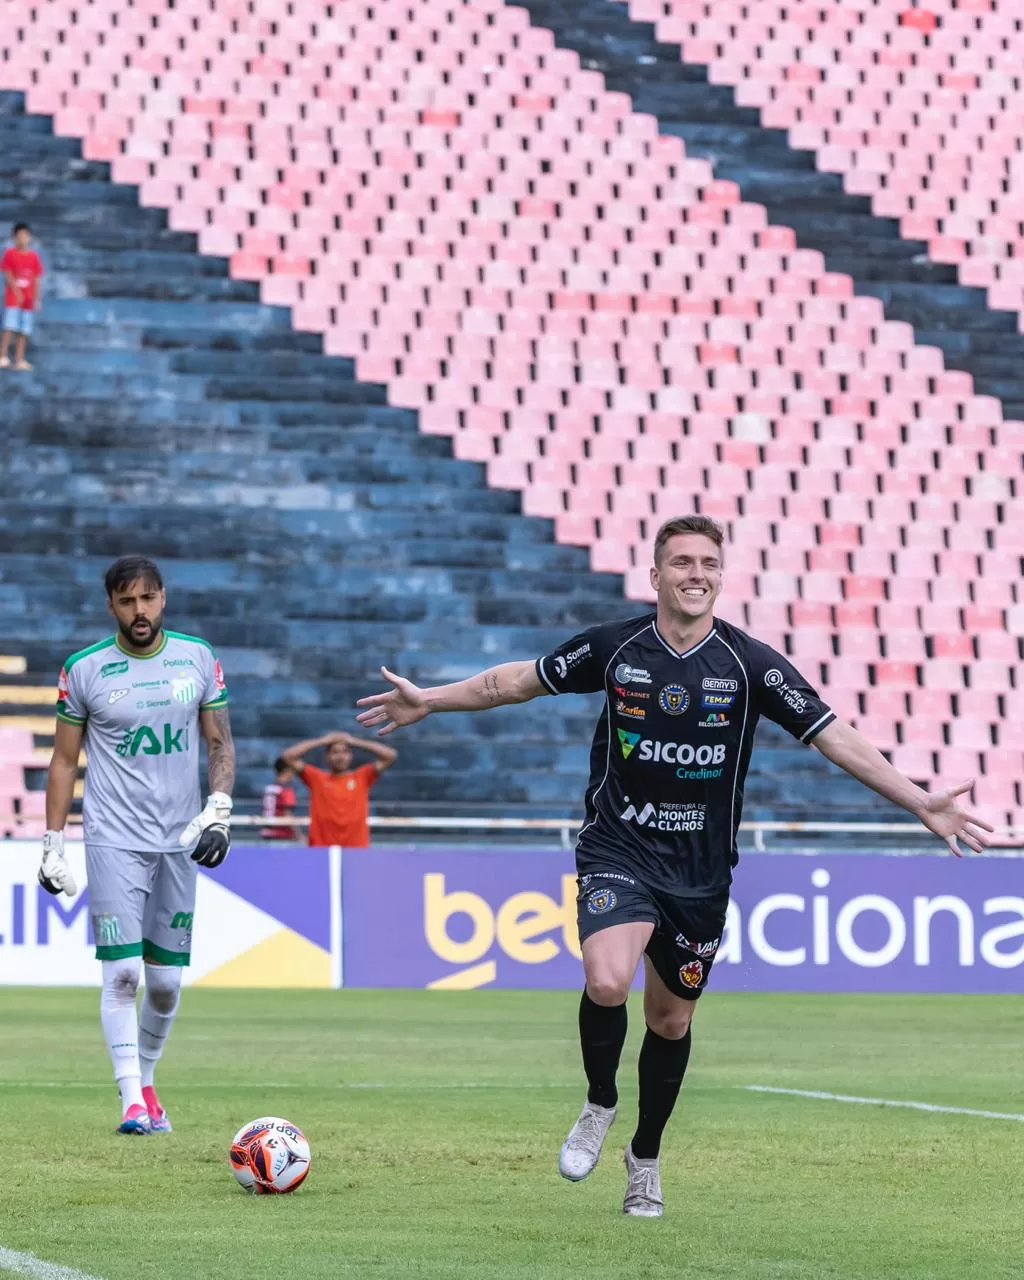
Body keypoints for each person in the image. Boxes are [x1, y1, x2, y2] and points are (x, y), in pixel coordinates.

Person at [356, 513, 992, 1218]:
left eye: (708, 563)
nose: (696, 574)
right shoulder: (616, 648)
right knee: (605, 980)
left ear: (722, 575)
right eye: (682, 562)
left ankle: (645, 1156)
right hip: (618, 846)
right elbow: (515, 682)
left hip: (699, 873)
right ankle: (599, 1102)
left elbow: (835, 737)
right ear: (655, 575)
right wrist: (431, 701)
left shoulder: (751, 665)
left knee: (670, 1023)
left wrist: (919, 802)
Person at [41, 554, 235, 1136]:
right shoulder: (84, 669)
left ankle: (148, 1081)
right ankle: (130, 1100)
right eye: (127, 601)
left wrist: (219, 811)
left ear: (163, 598)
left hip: (180, 838)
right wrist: (52, 842)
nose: (139, 610)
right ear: (111, 607)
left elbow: (220, 744)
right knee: (122, 974)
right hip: (112, 837)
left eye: (147, 598)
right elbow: (64, 759)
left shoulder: (198, 658)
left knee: (168, 983)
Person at [280, 730, 396, 847]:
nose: (340, 757)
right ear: (327, 757)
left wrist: (354, 741)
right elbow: (289, 756)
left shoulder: (363, 776)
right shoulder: (316, 778)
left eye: (345, 752)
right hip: (321, 848)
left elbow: (390, 755)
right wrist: (323, 741)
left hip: (356, 848)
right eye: (335, 752)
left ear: (351, 755)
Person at [1, 222, 44, 371]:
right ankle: (3, 356)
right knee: (9, 327)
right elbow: (8, 275)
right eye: (19, 236)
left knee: (23, 331)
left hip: (28, 300)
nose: (22, 239)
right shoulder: (9, 254)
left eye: (25, 236)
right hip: (13, 299)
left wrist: (36, 298)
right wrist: (17, 293)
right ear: (14, 238)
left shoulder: (33, 257)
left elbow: (37, 278)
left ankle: (19, 359)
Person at [261, 756, 298, 840]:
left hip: (267, 833)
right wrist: (299, 835)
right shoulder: (286, 790)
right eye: (293, 772)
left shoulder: (269, 788)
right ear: (287, 771)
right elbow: (287, 814)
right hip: (281, 834)